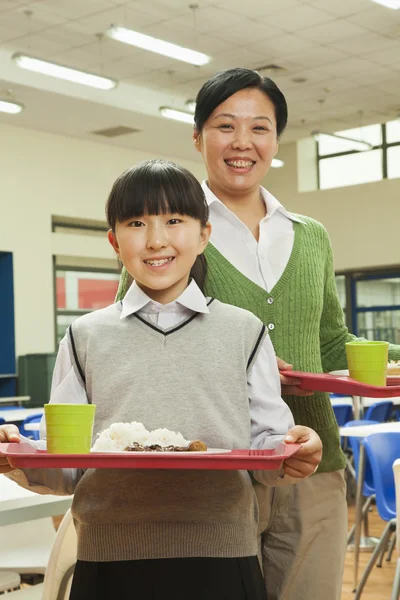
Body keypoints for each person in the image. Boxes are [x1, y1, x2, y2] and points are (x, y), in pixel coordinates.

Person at [116, 69, 400, 600]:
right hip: (217, 467)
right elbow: (127, 339)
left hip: (313, 461)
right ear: (198, 137)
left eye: (260, 128)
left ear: (276, 140)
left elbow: (331, 339)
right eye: (226, 126)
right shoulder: (169, 228)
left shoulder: (310, 235)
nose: (243, 142)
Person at [0, 159, 322, 600]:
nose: (156, 240)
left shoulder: (244, 330)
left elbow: (268, 450)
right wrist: (20, 459)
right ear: (114, 241)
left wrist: (293, 453)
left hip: (223, 552)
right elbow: (69, 466)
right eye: (136, 222)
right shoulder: (84, 335)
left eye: (174, 220)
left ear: (204, 234)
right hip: (108, 555)